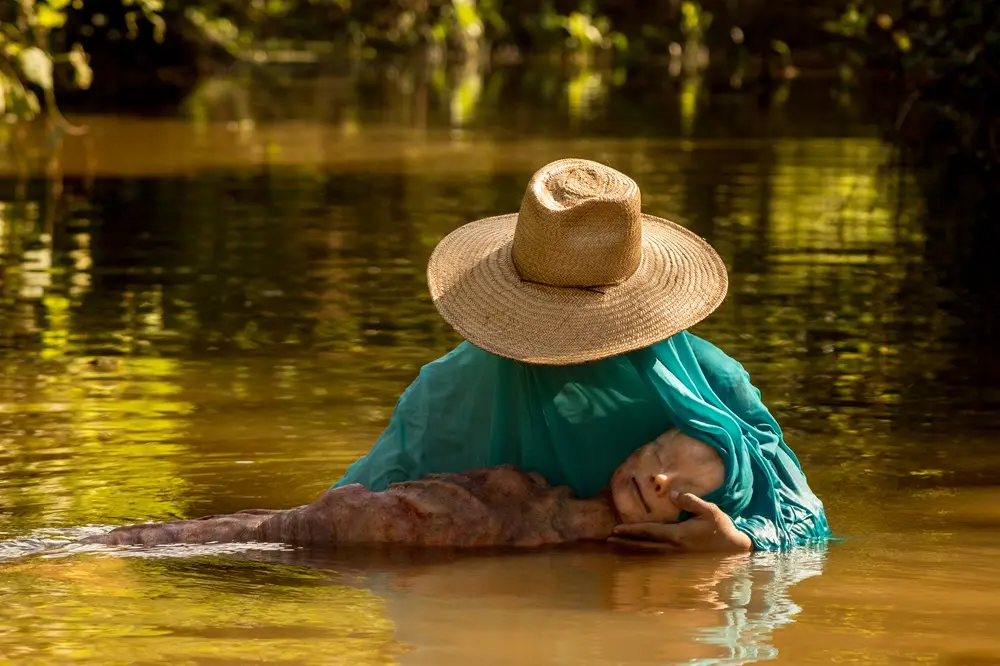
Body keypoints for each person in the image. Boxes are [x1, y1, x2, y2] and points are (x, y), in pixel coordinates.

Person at [330, 157, 830, 552]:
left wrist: (737, 543)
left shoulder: (711, 388)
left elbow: (806, 522)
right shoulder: (445, 395)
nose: (570, 355)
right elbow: (336, 521)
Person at [86, 429, 750, 551]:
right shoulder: (457, 384)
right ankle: (111, 547)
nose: (662, 475)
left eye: (682, 489)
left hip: (441, 525)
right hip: (426, 518)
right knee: (281, 531)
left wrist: (730, 545)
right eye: (659, 454)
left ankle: (110, 548)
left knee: (280, 533)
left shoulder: (625, 542)